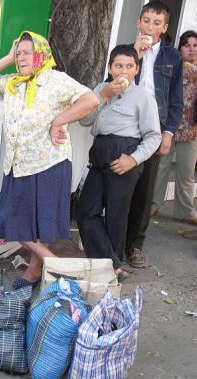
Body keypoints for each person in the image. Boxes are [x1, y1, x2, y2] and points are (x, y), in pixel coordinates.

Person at [0, 31, 99, 289]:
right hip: (18, 165)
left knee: (42, 227)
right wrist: (7, 58)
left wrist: (60, 120)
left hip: (49, 164)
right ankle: (60, 267)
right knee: (13, 225)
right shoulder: (13, 83)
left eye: (26, 52)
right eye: (18, 53)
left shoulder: (56, 80)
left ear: (41, 54)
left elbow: (92, 99)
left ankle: (34, 270)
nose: (21, 57)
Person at [77, 45, 161, 282]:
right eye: (118, 66)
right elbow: (84, 120)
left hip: (125, 154)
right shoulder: (102, 89)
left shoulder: (143, 96)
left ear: (136, 69)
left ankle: (109, 272)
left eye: (129, 66)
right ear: (110, 68)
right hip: (100, 153)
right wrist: (103, 95)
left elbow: (154, 136)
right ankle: (112, 265)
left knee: (116, 214)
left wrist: (132, 159)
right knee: (86, 212)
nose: (123, 71)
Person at [125, 1, 183, 269]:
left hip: (154, 128)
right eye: (146, 21)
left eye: (156, 23)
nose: (150, 27)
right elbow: (115, 84)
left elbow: (175, 99)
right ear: (139, 22)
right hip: (126, 125)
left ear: (165, 27)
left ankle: (135, 245)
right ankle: (113, 241)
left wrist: (168, 132)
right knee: (120, 186)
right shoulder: (127, 52)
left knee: (145, 191)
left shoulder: (172, 57)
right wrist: (135, 54)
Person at [151, 30, 197, 225]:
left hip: (191, 129)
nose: (192, 50)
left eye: (195, 46)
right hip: (168, 125)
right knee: (160, 168)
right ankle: (153, 205)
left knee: (186, 172)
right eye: (187, 45)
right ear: (180, 48)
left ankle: (185, 211)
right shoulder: (173, 66)